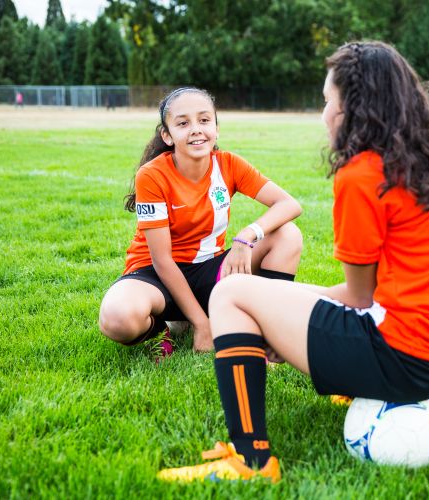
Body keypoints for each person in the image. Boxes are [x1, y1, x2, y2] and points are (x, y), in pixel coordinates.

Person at [156, 42, 429, 483]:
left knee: (231, 292)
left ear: (353, 110)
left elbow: (358, 296)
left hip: (401, 357)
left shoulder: (365, 172)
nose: (323, 113)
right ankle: (350, 389)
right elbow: (378, 292)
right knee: (262, 297)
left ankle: (250, 461)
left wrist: (274, 322)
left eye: (327, 101)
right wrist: (279, 309)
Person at [98, 87, 303, 359]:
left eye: (204, 120)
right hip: (156, 274)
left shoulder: (229, 164)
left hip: (210, 269)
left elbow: (289, 204)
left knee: (287, 235)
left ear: (216, 129)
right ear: (167, 136)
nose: (196, 129)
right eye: (183, 123)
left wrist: (247, 236)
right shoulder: (152, 175)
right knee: (117, 318)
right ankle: (166, 328)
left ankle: (269, 335)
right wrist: (201, 324)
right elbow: (162, 260)